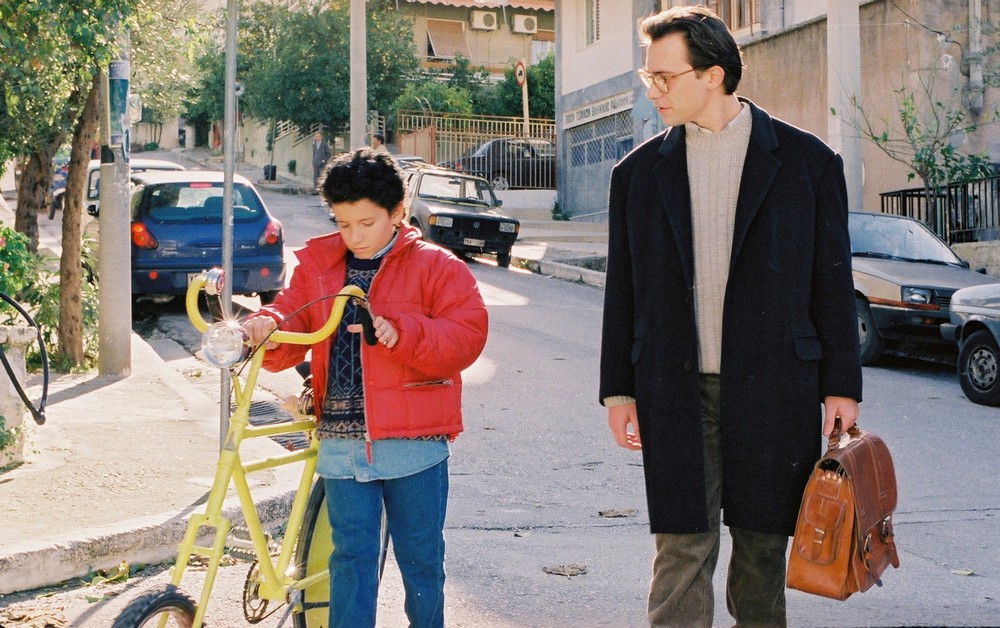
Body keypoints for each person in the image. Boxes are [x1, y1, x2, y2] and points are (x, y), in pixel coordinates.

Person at [599, 6, 862, 627]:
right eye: (649, 76)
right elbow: (624, 291)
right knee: (681, 550)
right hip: (673, 388)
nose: (653, 90)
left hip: (774, 388)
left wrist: (841, 387)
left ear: (713, 74)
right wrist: (617, 390)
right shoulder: (636, 176)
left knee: (762, 553)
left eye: (666, 77)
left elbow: (832, 282)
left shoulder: (807, 164)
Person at [242, 149, 488, 627]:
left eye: (366, 223)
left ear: (398, 213)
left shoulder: (437, 267)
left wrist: (403, 334)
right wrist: (263, 326)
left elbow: (467, 335)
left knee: (421, 564)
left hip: (414, 445)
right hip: (341, 443)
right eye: (343, 223)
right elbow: (290, 314)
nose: (353, 236)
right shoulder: (319, 266)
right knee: (349, 562)